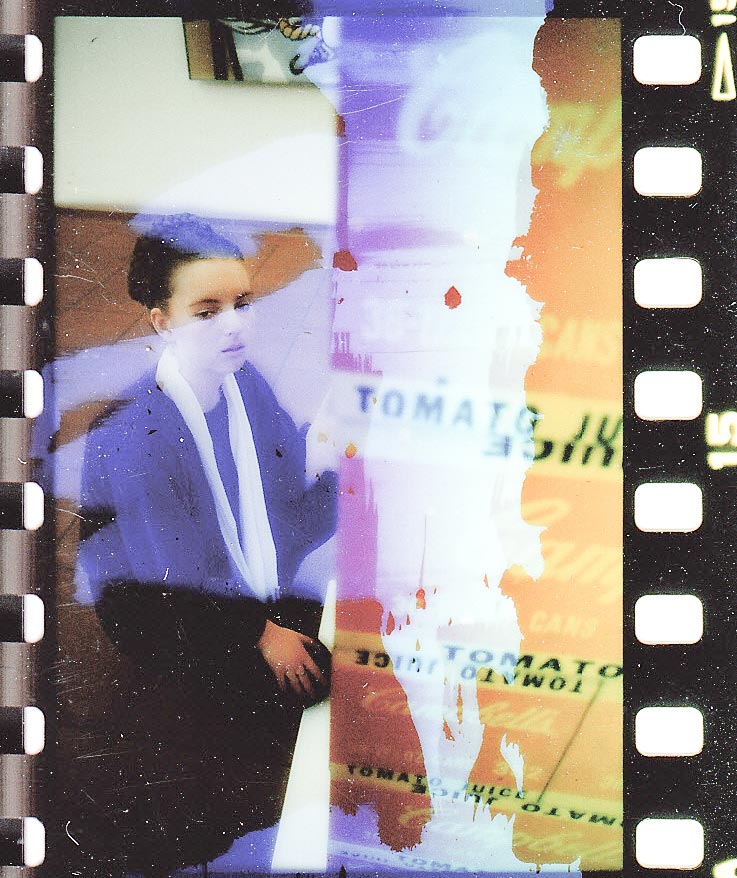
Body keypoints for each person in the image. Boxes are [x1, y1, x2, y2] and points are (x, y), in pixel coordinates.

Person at [67, 215, 337, 877]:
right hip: (168, 607)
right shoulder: (135, 433)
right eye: (207, 311)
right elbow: (179, 574)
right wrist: (264, 633)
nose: (233, 326)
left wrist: (335, 462)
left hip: (228, 574)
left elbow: (281, 484)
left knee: (339, 632)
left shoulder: (245, 384)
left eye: (243, 303)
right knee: (307, 688)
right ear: (162, 322)